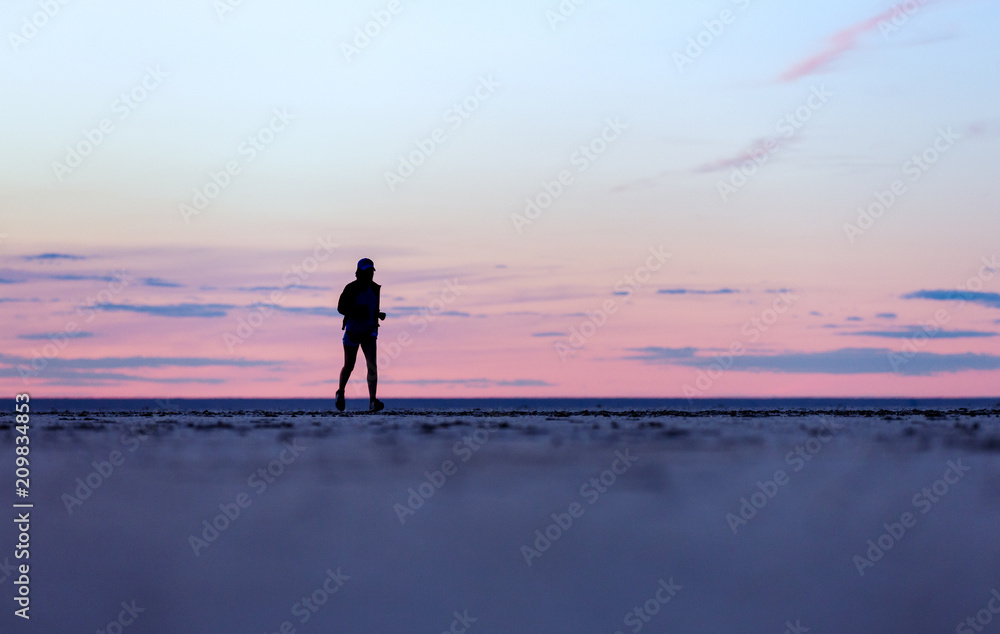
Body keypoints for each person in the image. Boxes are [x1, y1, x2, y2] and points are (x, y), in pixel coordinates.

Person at [335, 258, 386, 412]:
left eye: (372, 272)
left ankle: (372, 401)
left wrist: (378, 315)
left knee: (372, 366)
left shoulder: (375, 288)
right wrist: (357, 312)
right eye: (367, 272)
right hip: (353, 332)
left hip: (369, 332)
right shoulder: (351, 288)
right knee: (349, 366)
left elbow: (372, 307)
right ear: (360, 272)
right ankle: (341, 392)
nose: (370, 275)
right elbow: (340, 308)